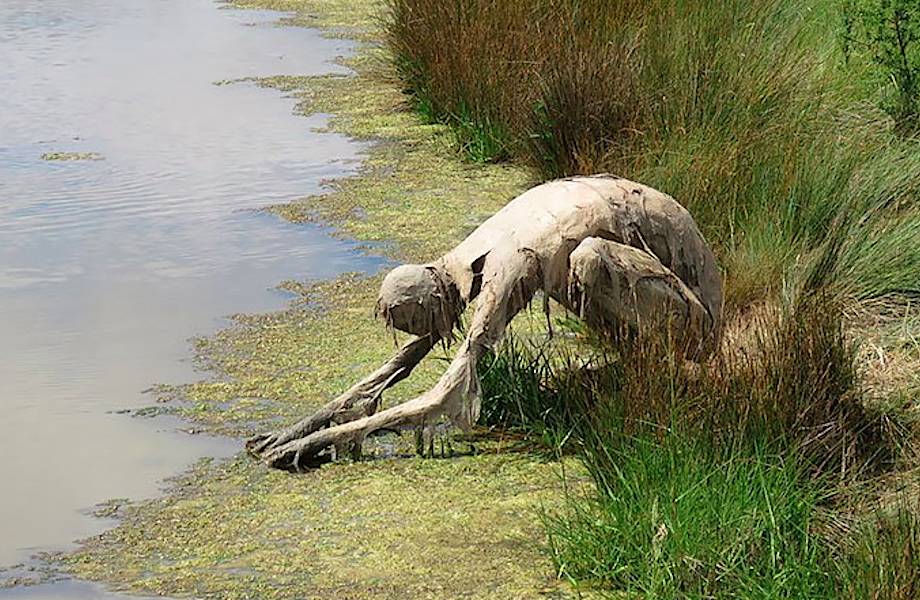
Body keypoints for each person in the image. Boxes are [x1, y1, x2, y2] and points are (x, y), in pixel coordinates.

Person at [248, 174, 722, 470]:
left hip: (696, 316)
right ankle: (637, 369)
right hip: (655, 287)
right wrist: (310, 422)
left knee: (589, 260)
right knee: (579, 262)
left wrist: (332, 439)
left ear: (427, 300)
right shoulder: (460, 262)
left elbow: (441, 398)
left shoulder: (505, 265)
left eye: (415, 322)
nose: (423, 334)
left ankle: (661, 374)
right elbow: (415, 355)